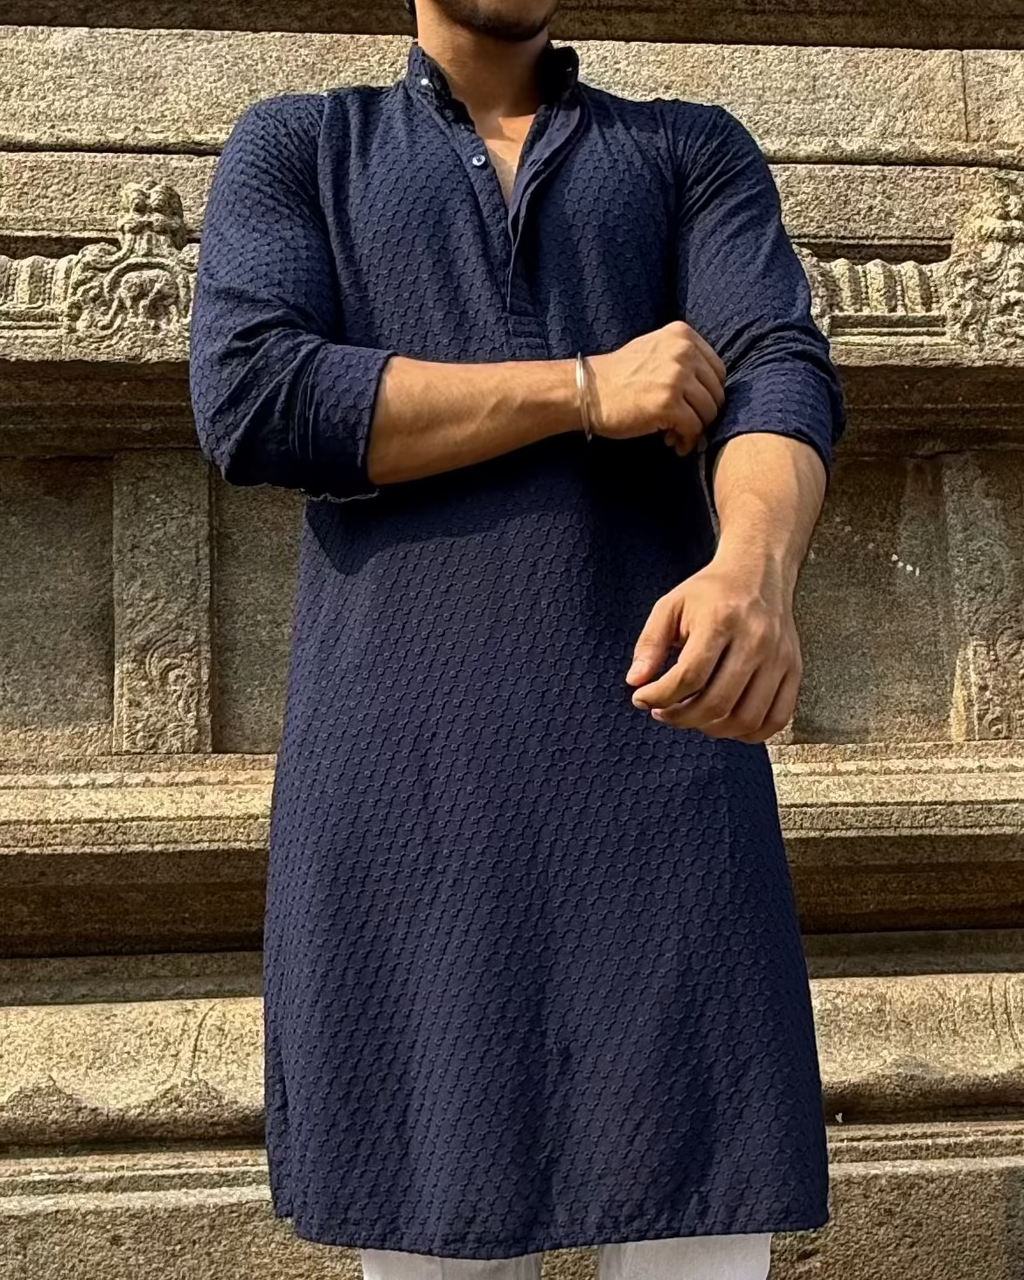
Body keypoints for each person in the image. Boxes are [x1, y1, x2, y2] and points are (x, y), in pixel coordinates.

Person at [188, 0, 847, 1277]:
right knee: (437, 1239)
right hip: (406, 792)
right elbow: (257, 394)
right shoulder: (300, 147)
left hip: (660, 768)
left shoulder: (688, 151)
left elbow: (774, 366)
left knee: (696, 1237)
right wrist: (585, 386)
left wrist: (751, 572)